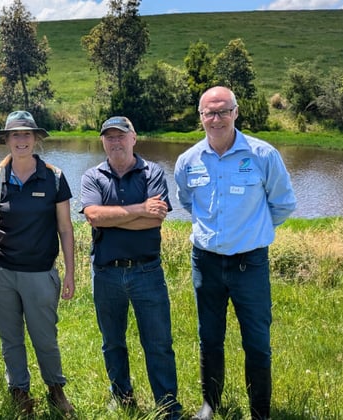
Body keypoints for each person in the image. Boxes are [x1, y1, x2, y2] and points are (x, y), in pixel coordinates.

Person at [174, 86, 297, 420]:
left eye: (223, 111)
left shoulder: (262, 155)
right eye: (209, 113)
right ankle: (210, 404)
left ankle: (260, 411)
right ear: (200, 117)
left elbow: (283, 203)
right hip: (206, 262)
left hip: (250, 263)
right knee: (209, 337)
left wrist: (252, 231)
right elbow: (188, 202)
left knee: (256, 341)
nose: (216, 119)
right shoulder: (188, 161)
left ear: (236, 112)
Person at [80, 116, 183, 419]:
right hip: (106, 273)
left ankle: (167, 405)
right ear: (102, 142)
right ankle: (121, 397)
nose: (115, 142)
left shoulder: (152, 172)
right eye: (109, 137)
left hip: (147, 272)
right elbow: (94, 216)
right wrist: (138, 210)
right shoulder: (92, 176)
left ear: (134, 138)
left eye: (120, 136)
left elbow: (156, 218)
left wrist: (114, 217)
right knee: (112, 342)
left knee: (159, 342)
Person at [0, 110, 76, 417]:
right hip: (3, 274)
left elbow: (65, 228)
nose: (21, 140)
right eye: (15, 135)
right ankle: (19, 390)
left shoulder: (54, 177)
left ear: (35, 139)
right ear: (6, 140)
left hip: (40, 273)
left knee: (45, 338)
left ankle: (55, 389)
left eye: (26, 134)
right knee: (11, 338)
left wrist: (71, 273)